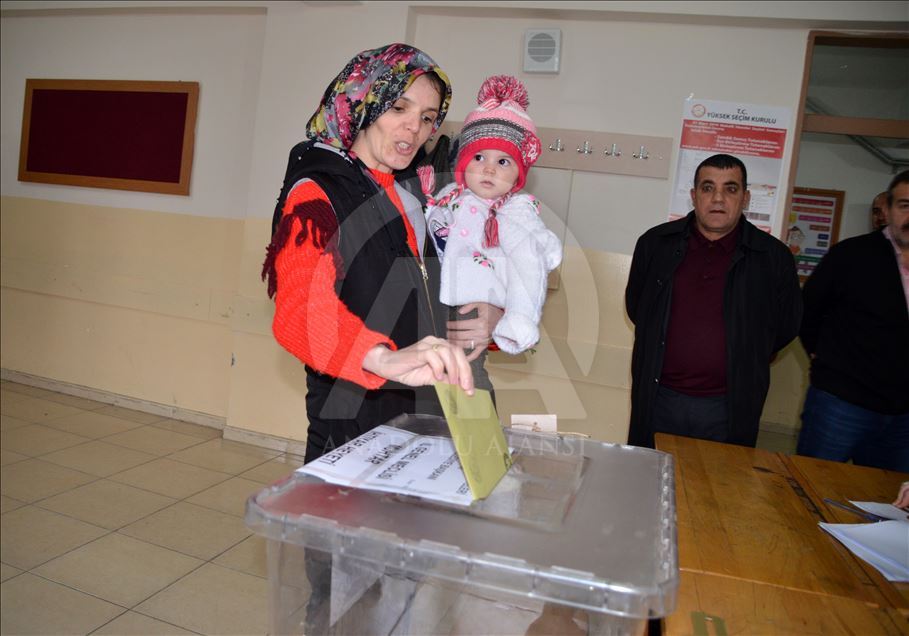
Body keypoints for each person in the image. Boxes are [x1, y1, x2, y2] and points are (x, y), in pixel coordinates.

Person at [262, 43, 504, 464]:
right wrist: (382, 359)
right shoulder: (316, 193)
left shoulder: (415, 196)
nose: (414, 128)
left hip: (430, 418)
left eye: (427, 118)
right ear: (363, 105)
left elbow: (434, 294)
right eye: (399, 109)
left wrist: (486, 317)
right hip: (353, 425)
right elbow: (300, 306)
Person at [625, 153, 802, 448]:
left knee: (719, 489)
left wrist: (748, 353)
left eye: (730, 189)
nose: (718, 198)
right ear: (694, 196)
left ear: (745, 198)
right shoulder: (655, 244)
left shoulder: (772, 257)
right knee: (649, 483)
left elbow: (786, 325)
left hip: (728, 406)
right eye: (708, 188)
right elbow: (638, 308)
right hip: (659, 398)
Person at [418, 75, 562, 389]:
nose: (488, 169)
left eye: (503, 161)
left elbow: (528, 267)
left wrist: (519, 317)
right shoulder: (452, 196)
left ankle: (478, 437)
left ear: (518, 174)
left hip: (471, 310)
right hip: (435, 306)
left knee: (465, 381)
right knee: (433, 379)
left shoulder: (513, 211)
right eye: (479, 157)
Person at [796, 170, 909, 471]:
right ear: (888, 209)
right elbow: (807, 310)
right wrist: (823, 357)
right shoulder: (852, 255)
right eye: (905, 206)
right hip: (841, 404)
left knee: (887, 503)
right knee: (811, 488)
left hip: (902, 416)